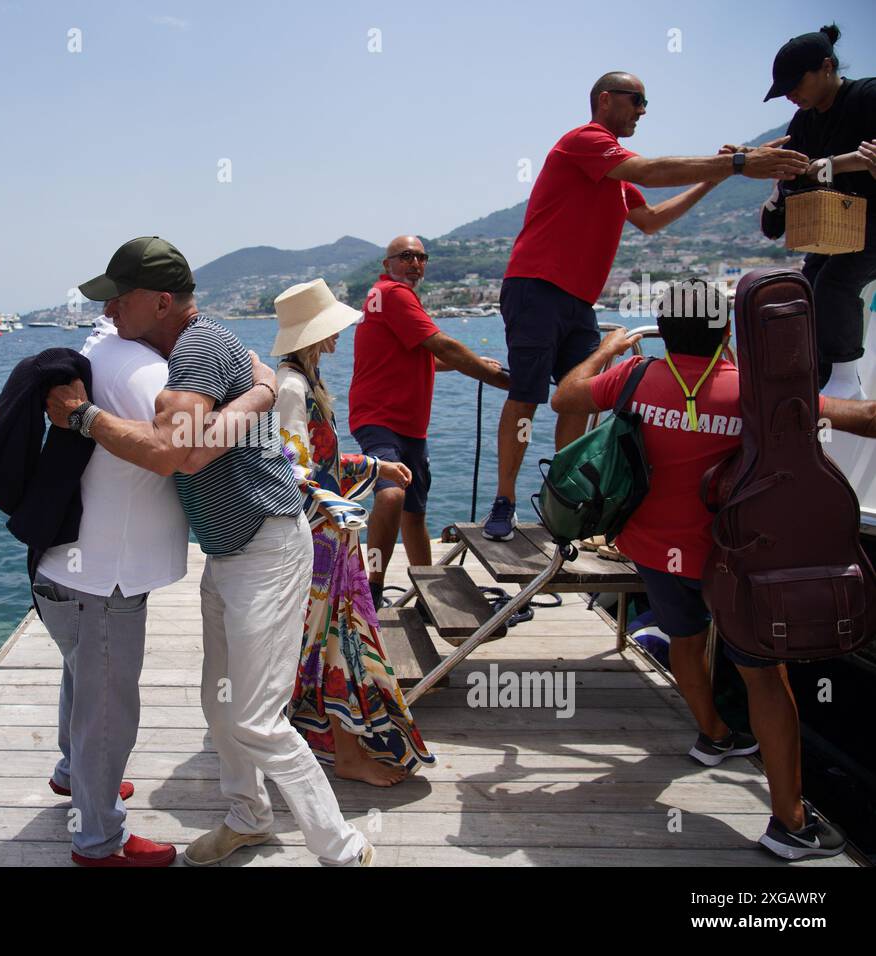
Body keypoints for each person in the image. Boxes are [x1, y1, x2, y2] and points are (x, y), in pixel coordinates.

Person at [46, 237, 373, 866]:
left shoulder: (196, 349)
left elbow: (179, 451)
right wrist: (259, 394)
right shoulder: (206, 343)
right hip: (230, 550)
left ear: (162, 301)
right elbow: (254, 374)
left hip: (267, 546)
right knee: (219, 705)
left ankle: (344, 848)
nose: (109, 313)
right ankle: (248, 816)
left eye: (119, 299)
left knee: (256, 717)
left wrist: (82, 415)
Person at [551, 279, 876, 860]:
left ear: (665, 332)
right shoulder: (759, 389)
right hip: (733, 561)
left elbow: (565, 398)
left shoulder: (633, 378)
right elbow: (863, 417)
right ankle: (790, 823)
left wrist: (607, 350)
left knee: (684, 637)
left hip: (650, 547)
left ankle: (713, 735)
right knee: (764, 678)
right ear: (726, 331)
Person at [481, 71, 812, 542]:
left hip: (579, 299)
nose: (643, 110)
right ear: (605, 100)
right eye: (636, 100)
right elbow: (650, 171)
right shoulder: (586, 140)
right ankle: (505, 500)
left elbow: (652, 220)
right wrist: (739, 162)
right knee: (529, 394)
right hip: (535, 285)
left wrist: (718, 175)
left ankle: (563, 498)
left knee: (578, 396)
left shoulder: (615, 177)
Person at [31, 299, 279, 867]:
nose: (110, 308)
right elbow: (183, 450)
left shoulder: (97, 352)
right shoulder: (146, 372)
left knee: (82, 677)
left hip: (63, 566)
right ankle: (99, 842)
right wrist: (260, 389)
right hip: (107, 574)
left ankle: (74, 776)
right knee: (109, 714)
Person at [270, 278, 436, 787]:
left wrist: (374, 468)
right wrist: (340, 509)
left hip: (326, 534)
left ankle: (328, 739)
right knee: (340, 643)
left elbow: (316, 463)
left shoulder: (304, 379)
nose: (337, 337)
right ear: (311, 335)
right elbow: (290, 469)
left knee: (328, 643)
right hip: (321, 541)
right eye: (329, 330)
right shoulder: (293, 389)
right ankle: (347, 753)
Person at [348, 235, 508, 608]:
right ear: (386, 265)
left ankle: (426, 590)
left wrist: (479, 365)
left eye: (421, 257)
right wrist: (494, 379)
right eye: (405, 256)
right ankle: (371, 588)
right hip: (379, 417)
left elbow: (428, 359)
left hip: (408, 424)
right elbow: (443, 346)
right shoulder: (393, 293)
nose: (415, 262)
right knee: (391, 491)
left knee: (415, 510)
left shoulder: (386, 297)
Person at [759, 24, 876, 397]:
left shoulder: (868, 96)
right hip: (836, 227)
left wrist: (823, 166)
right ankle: (817, 376)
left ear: (827, 66)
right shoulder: (804, 122)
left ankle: (846, 380)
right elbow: (800, 173)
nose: (791, 95)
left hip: (872, 224)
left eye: (796, 84)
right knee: (805, 289)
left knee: (835, 283)